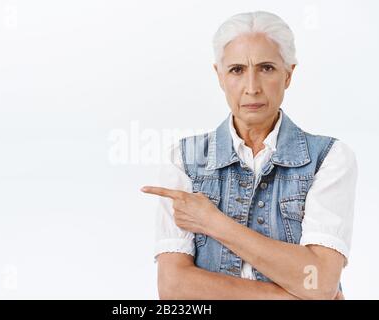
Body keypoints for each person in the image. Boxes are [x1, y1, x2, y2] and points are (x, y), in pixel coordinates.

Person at [141, 11, 357, 300]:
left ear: (288, 74)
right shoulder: (183, 159)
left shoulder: (328, 159)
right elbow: (173, 288)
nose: (252, 87)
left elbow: (318, 281)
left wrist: (213, 222)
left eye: (266, 68)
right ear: (219, 76)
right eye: (237, 70)